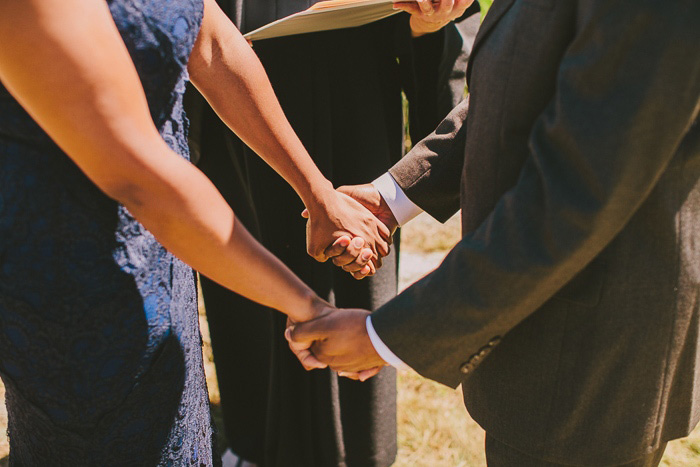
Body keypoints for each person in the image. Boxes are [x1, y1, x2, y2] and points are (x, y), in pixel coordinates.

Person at [290, 0, 700, 465]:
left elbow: (571, 199)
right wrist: (390, 197)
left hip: (592, 364)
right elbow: (522, 88)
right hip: (542, 349)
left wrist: (387, 336)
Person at [0, 0, 388, 463]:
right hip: (72, 272)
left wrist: (317, 193)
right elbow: (141, 180)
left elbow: (216, 46)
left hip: (168, 249)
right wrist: (307, 306)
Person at [186, 1, 480, 466]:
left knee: (347, 269)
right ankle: (254, 440)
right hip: (225, 72)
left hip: (348, 80)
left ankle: (351, 450)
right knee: (243, 270)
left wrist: (427, 25)